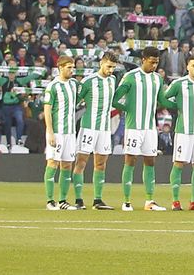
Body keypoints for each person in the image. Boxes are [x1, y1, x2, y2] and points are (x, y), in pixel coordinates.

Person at [113, 46, 166, 211]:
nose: (154, 66)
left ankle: (149, 201)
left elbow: (162, 100)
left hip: (150, 127)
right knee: (130, 160)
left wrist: (179, 105)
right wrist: (127, 107)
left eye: (156, 63)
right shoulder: (130, 77)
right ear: (143, 60)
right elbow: (115, 98)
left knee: (150, 161)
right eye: (152, 62)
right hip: (133, 127)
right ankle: (126, 201)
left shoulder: (158, 78)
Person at [161, 55, 194, 211]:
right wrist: (176, 108)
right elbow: (163, 98)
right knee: (179, 163)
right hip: (183, 131)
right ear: (187, 67)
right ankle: (175, 201)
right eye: (193, 65)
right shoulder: (179, 84)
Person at [75, 51, 120, 210]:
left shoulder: (113, 80)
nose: (111, 70)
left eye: (113, 67)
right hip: (89, 127)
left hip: (104, 129)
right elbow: (76, 100)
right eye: (109, 67)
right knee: (81, 162)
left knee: (101, 164)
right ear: (101, 63)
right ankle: (78, 200)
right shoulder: (88, 81)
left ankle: (97, 200)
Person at [42, 55, 80, 210]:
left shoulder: (73, 85)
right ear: (60, 68)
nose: (72, 70)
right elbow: (47, 110)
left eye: (73, 67)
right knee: (52, 162)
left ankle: (62, 201)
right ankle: (50, 201)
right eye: (69, 67)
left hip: (70, 132)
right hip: (57, 132)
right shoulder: (53, 86)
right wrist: (50, 132)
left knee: (67, 165)